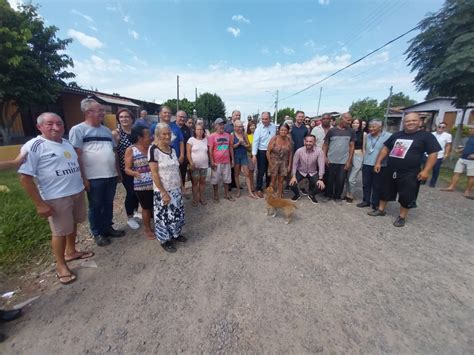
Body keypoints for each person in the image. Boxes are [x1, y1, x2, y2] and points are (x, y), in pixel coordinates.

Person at [19, 112, 93, 284]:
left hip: (76, 191)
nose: (56, 127)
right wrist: (40, 204)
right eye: (50, 124)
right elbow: (25, 178)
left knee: (73, 224)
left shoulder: (66, 143)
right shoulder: (34, 146)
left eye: (59, 123)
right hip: (56, 196)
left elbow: (75, 163)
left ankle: (71, 251)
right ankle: (60, 265)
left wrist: (83, 179)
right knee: (59, 232)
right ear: (39, 127)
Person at [368, 113, 441, 227]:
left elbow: (433, 154)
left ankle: (402, 217)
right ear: (404, 123)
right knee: (385, 189)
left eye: (414, 120)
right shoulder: (397, 135)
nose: (410, 123)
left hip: (410, 172)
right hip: (391, 169)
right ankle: (381, 209)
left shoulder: (426, 136)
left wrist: (426, 170)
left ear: (419, 122)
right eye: (408, 121)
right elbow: (385, 149)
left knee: (407, 194)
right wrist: (378, 162)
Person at [69, 98, 125, 247]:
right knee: (95, 206)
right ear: (88, 112)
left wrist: (118, 171)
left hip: (110, 174)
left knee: (108, 203)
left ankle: (108, 228)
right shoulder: (78, 130)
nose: (103, 113)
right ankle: (97, 233)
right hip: (93, 177)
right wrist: (83, 178)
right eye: (99, 110)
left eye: (102, 110)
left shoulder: (106, 130)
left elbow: (114, 153)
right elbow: (76, 156)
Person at [148, 122, 187, 253]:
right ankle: (165, 240)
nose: (167, 136)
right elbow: (154, 173)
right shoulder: (153, 150)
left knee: (176, 213)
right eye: (164, 134)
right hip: (163, 190)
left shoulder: (173, 150)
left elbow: (177, 169)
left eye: (169, 133)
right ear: (158, 135)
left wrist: (181, 185)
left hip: (175, 188)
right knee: (164, 216)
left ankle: (175, 234)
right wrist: (163, 192)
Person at [124, 125, 154, 240]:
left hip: (155, 183)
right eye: (148, 135)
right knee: (146, 208)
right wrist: (135, 173)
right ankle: (147, 229)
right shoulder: (131, 149)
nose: (151, 137)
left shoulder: (152, 147)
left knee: (156, 207)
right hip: (142, 186)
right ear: (140, 137)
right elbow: (127, 169)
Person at [112, 108, 140, 230]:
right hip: (125, 168)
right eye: (121, 117)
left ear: (131, 118)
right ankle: (130, 217)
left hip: (139, 167)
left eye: (126, 116)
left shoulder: (136, 132)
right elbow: (115, 153)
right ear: (118, 119)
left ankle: (135, 211)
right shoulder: (116, 134)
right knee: (131, 192)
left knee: (139, 191)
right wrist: (118, 171)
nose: (124, 119)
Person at [357, 119, 391, 210]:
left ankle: (375, 203)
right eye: (370, 127)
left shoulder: (388, 136)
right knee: (366, 184)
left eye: (373, 127)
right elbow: (364, 148)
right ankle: (366, 201)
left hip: (380, 165)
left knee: (377, 185)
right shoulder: (367, 136)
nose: (371, 129)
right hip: (367, 163)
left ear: (380, 127)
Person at [322, 112, 355, 203]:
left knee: (340, 181)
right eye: (348, 120)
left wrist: (349, 161)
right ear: (342, 119)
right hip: (330, 160)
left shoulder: (351, 131)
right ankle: (328, 195)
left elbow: (352, 147)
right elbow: (325, 145)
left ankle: (337, 197)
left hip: (343, 161)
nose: (349, 122)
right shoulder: (332, 131)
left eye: (350, 120)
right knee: (329, 180)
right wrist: (325, 157)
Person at [290, 135, 326, 203]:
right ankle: (297, 194)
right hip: (301, 171)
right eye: (307, 141)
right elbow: (295, 164)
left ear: (314, 142)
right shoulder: (299, 151)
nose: (308, 143)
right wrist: (293, 176)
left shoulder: (319, 151)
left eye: (310, 141)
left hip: (313, 172)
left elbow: (321, 165)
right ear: (304, 142)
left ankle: (312, 195)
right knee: (292, 183)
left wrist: (321, 179)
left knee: (321, 186)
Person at [441, 125, 474, 199]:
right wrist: (460, 150)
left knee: (471, 176)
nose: (470, 130)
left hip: (472, 161)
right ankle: (451, 187)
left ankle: (467, 191)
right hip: (462, 157)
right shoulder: (470, 138)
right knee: (456, 173)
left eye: (471, 129)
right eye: (470, 129)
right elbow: (467, 147)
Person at [208, 118, 235, 202]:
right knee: (215, 180)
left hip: (226, 161)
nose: (222, 126)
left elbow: (230, 148)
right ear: (216, 126)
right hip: (216, 162)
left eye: (223, 124)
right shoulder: (212, 136)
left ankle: (227, 194)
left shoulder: (228, 135)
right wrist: (211, 161)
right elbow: (210, 150)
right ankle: (216, 195)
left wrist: (232, 159)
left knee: (227, 179)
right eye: (220, 124)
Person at [252, 112, 277, 198]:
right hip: (261, 152)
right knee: (261, 171)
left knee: (269, 170)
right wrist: (254, 155)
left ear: (270, 119)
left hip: (271, 152)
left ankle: (268, 188)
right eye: (263, 119)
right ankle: (258, 188)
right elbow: (255, 142)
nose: (264, 120)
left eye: (266, 119)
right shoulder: (258, 129)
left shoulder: (274, 127)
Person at [232, 120, 257, 199]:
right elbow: (231, 147)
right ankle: (238, 190)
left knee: (247, 174)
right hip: (236, 156)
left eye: (241, 126)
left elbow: (248, 146)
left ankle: (250, 192)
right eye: (239, 126)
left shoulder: (244, 134)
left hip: (244, 156)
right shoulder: (232, 135)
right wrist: (238, 143)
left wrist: (244, 144)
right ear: (235, 127)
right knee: (236, 174)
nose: (240, 128)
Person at [267, 122, 293, 198]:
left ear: (288, 131)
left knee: (281, 180)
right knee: (273, 180)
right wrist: (270, 164)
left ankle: (279, 195)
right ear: (279, 130)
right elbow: (268, 152)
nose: (283, 132)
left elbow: (290, 153)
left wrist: (289, 165)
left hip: (284, 163)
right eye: (281, 130)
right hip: (274, 162)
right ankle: (270, 196)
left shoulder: (289, 139)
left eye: (285, 130)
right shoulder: (274, 138)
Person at [344, 118, 366, 202]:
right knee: (347, 177)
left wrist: (363, 159)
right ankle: (347, 194)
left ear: (360, 124)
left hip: (358, 155)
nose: (355, 124)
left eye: (357, 123)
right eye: (353, 123)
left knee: (352, 178)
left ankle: (351, 194)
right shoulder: (348, 132)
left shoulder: (364, 134)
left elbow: (364, 147)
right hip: (348, 155)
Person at [187, 122, 209, 206]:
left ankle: (201, 197)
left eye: (201, 130)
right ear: (195, 131)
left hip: (204, 165)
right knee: (195, 183)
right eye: (198, 129)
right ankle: (195, 199)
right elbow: (188, 153)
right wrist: (191, 163)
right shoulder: (191, 140)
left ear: (203, 131)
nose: (199, 131)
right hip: (194, 166)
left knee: (203, 182)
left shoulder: (206, 140)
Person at [426, 122, 452, 187]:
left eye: (443, 127)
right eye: (439, 126)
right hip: (428, 154)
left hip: (439, 155)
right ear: (437, 127)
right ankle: (423, 180)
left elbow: (448, 145)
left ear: (445, 128)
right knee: (426, 167)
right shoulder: (432, 134)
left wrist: (446, 154)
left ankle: (432, 183)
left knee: (436, 169)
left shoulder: (448, 136)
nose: (441, 128)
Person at [176, 110, 192, 186]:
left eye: (184, 117)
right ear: (176, 116)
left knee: (182, 175)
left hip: (183, 158)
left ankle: (182, 193)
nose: (182, 119)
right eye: (181, 117)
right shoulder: (171, 126)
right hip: (172, 156)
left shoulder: (187, 129)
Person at [246, 120, 257, 194]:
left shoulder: (257, 134)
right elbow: (247, 146)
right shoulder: (247, 135)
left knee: (257, 171)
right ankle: (251, 185)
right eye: (251, 126)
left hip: (257, 155)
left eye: (253, 125)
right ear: (248, 127)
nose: (252, 127)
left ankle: (256, 185)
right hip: (249, 155)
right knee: (251, 171)